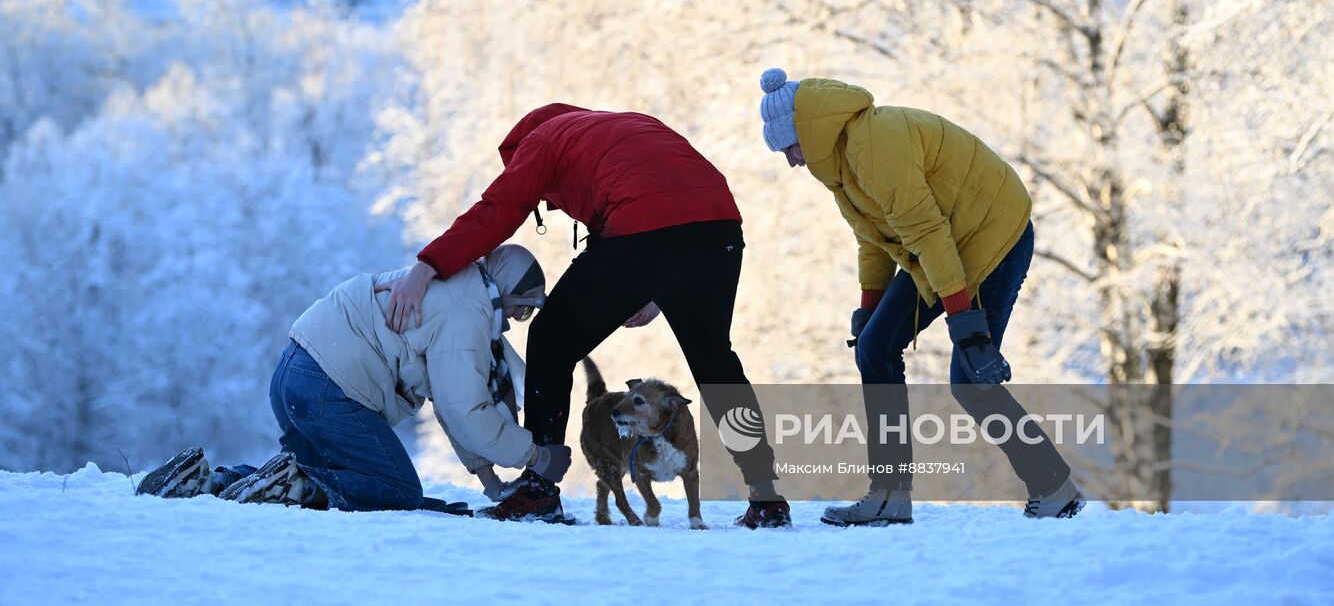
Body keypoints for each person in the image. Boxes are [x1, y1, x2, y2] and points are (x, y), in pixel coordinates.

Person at [385, 103, 790, 528]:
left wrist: (427, 267)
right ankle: (766, 495)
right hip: (719, 226)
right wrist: (657, 289)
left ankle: (539, 488)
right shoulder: (627, 124)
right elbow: (669, 197)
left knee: (550, 340)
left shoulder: (542, 140)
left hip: (643, 227)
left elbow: (496, 210)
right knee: (714, 359)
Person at [757, 68, 1085, 524]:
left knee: (969, 378)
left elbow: (929, 232)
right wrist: (869, 311)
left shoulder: (876, 143)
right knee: (874, 347)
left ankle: (1054, 486)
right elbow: (872, 240)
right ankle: (890, 493)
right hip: (942, 245)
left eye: (788, 147)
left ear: (806, 133)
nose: (790, 161)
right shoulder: (838, 166)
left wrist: (965, 324)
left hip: (992, 235)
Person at [137, 245, 566, 517]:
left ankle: (208, 480)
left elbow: (450, 401)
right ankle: (290, 481)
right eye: (521, 309)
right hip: (330, 388)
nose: (514, 322)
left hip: (294, 372)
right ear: (504, 290)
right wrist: (534, 456)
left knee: (320, 471)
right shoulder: (468, 311)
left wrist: (488, 478)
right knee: (395, 490)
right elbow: (466, 410)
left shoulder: (455, 288)